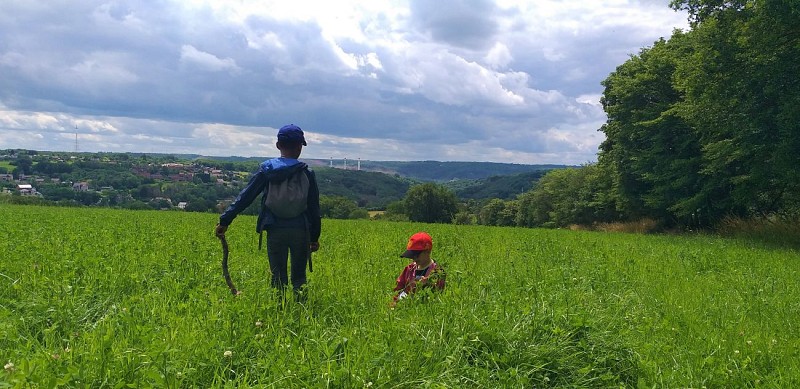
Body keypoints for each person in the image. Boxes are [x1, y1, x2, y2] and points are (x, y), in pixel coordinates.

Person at [215, 124, 321, 300]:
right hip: (301, 230)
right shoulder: (307, 173)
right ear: (300, 146)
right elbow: (314, 209)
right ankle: (300, 312)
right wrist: (314, 237)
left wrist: (225, 220)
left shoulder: (267, 170)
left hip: (275, 228)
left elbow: (246, 196)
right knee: (299, 278)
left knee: (277, 277)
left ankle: (278, 311)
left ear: (278, 145)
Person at [392, 232, 445, 305]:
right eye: (412, 256)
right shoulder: (409, 269)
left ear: (427, 251)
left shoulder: (437, 271)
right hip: (405, 307)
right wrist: (394, 304)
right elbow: (398, 290)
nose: (414, 259)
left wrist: (428, 284)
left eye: (416, 256)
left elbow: (440, 293)